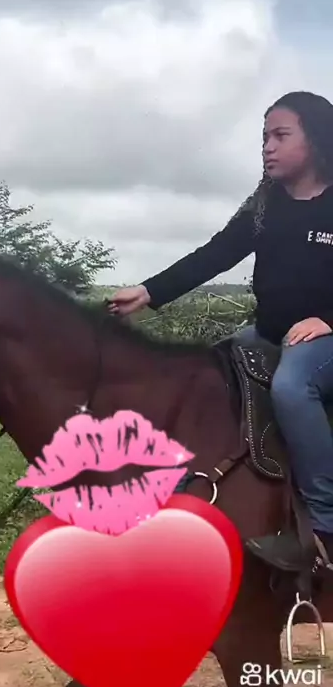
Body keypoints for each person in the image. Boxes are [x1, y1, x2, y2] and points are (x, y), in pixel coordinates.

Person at [107, 90, 333, 574]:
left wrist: (329, 320)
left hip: (324, 339)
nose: (267, 147)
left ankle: (325, 524)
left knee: (292, 387)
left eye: (280, 135)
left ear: (315, 139)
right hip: (269, 333)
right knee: (202, 373)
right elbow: (214, 255)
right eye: (264, 137)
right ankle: (199, 492)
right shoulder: (265, 205)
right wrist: (148, 291)